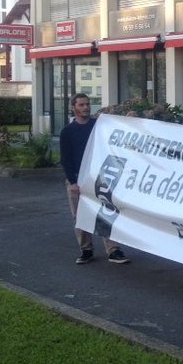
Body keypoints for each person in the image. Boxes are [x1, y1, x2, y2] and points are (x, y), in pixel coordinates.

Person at [60, 93, 130, 265]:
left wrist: (129, 121)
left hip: (99, 177)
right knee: (79, 216)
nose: (85, 107)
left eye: (87, 104)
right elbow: (65, 159)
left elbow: (116, 129)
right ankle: (86, 250)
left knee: (106, 212)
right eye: (81, 105)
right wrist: (73, 182)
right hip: (77, 179)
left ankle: (113, 249)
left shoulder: (98, 126)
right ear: (73, 107)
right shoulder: (67, 132)